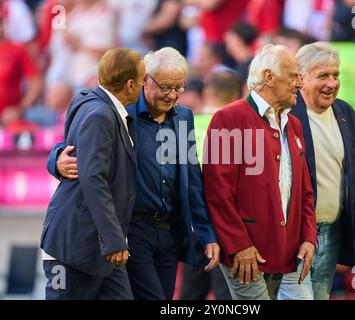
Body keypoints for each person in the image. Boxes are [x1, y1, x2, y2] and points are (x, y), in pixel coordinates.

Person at [46, 47, 220, 300]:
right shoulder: (122, 112)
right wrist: (56, 161)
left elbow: (192, 179)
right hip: (133, 228)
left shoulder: (184, 117)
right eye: (165, 87)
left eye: (178, 88)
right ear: (144, 81)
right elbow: (77, 147)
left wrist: (206, 233)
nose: (172, 95)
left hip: (170, 231)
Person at [202, 44, 317, 300]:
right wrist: (239, 245)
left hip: (288, 254)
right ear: (268, 77)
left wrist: (309, 238)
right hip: (246, 256)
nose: (300, 82)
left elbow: (305, 191)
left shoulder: (294, 124)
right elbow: (217, 192)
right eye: (293, 76)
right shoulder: (228, 118)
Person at [278, 41, 355, 300]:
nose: (332, 83)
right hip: (294, 233)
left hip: (332, 232)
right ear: (300, 79)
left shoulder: (346, 113)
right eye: (323, 76)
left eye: (336, 75)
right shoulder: (283, 116)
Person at [41, 48, 145, 299]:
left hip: (98, 248)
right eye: (143, 80)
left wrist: (55, 160)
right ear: (130, 85)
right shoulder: (101, 115)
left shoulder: (87, 99)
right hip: (75, 248)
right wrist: (114, 240)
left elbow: (73, 150)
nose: (144, 85)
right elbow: (93, 178)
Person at [180, 69, 241, 300]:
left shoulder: (185, 128)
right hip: (226, 224)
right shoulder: (238, 132)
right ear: (239, 95)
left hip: (192, 223)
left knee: (190, 293)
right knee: (227, 294)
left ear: (206, 92)